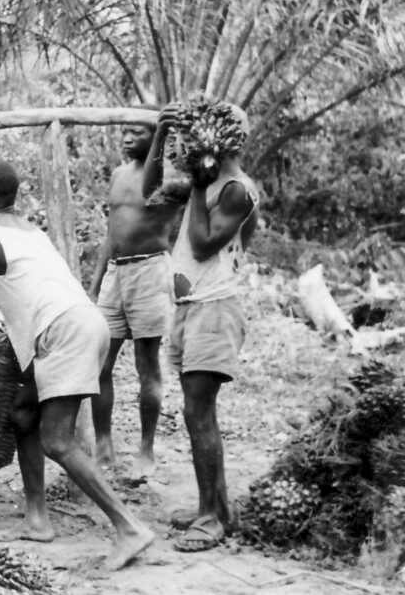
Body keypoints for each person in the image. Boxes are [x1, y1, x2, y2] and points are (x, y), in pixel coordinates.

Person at [0, 159, 154, 571]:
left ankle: (129, 527)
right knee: (24, 413)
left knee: (58, 441)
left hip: (62, 330)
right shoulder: (30, 230)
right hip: (80, 322)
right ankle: (37, 518)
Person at [142, 103, 259, 552]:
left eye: (191, 140)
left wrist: (195, 182)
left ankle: (211, 518)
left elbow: (204, 244)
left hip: (215, 309)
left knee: (198, 411)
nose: (186, 146)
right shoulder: (205, 184)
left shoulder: (234, 190)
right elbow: (150, 190)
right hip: (192, 309)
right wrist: (159, 137)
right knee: (196, 410)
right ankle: (218, 508)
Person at [88, 123, 183, 480]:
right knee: (100, 362)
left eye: (137, 132)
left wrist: (161, 132)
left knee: (147, 366)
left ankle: (146, 451)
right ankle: (103, 445)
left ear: (156, 136)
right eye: (124, 131)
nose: (127, 138)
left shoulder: (171, 178)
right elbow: (111, 233)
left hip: (149, 272)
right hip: (117, 272)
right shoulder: (117, 174)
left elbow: (152, 184)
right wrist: (96, 284)